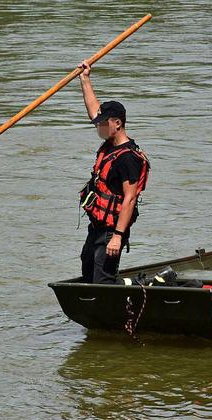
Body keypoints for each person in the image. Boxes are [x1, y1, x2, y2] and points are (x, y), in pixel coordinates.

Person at [77, 60, 150, 284]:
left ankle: (130, 292)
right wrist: (85, 79)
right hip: (96, 227)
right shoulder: (110, 143)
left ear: (117, 123)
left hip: (111, 231)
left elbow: (129, 199)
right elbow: (93, 111)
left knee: (103, 279)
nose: (98, 126)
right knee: (87, 268)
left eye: (103, 123)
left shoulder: (127, 158)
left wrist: (117, 237)